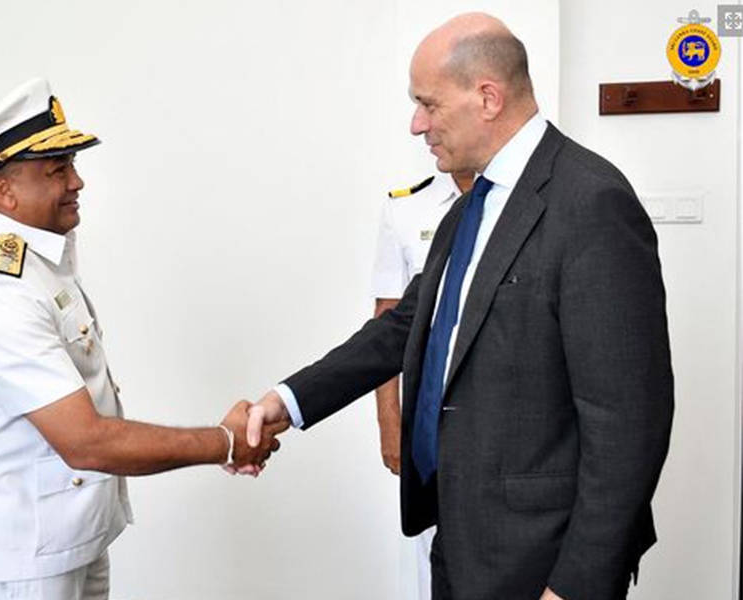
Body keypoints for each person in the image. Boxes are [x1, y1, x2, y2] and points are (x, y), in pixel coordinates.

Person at [246, 13, 674, 600]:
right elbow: (406, 326)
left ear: (488, 98)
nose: (417, 124)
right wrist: (288, 402)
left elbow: (630, 423)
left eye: (428, 104)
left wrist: (576, 584)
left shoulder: (591, 203)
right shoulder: (468, 207)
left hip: (541, 560)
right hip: (460, 537)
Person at [0, 78, 284, 600]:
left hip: (67, 533)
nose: (77, 183)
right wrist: (226, 441)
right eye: (58, 170)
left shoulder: (40, 259)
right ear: (5, 191)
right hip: (16, 557)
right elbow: (85, 440)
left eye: (73, 166)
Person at [372, 171, 473, 600]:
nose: (420, 126)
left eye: (431, 106)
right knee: (429, 572)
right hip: (429, 431)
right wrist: (390, 424)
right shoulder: (405, 208)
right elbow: (388, 325)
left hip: (503, 434)